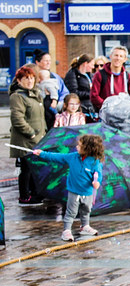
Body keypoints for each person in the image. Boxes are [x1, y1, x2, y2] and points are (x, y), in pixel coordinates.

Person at [30, 134, 104, 242]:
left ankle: (85, 226)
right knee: (71, 212)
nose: (76, 147)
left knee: (86, 210)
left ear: (88, 148)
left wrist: (97, 182)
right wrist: (42, 153)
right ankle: (66, 230)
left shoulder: (95, 162)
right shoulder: (73, 157)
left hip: (87, 192)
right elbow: (56, 157)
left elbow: (98, 175)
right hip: (74, 191)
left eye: (80, 145)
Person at [10, 65, 47, 205]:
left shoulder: (35, 94)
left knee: (33, 167)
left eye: (32, 78)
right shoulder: (17, 96)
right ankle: (24, 196)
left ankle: (34, 193)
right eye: (26, 78)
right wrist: (31, 133)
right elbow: (17, 119)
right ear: (19, 80)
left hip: (38, 138)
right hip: (26, 140)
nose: (30, 81)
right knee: (26, 168)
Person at [90, 46, 130, 111]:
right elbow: (94, 96)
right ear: (110, 56)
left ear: (125, 59)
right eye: (116, 55)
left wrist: (127, 108)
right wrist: (107, 107)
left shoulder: (129, 77)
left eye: (121, 56)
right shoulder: (99, 75)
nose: (118, 58)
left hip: (124, 114)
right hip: (105, 114)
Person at [64, 54, 96, 120]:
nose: (93, 67)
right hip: (79, 108)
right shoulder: (72, 74)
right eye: (92, 64)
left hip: (90, 108)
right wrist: (90, 94)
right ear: (85, 63)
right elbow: (73, 92)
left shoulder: (89, 75)